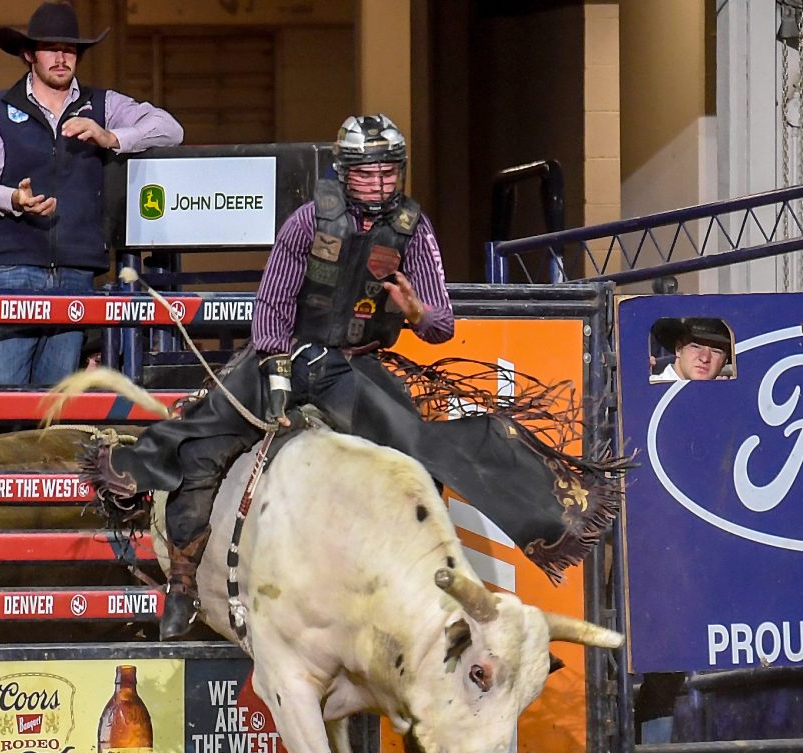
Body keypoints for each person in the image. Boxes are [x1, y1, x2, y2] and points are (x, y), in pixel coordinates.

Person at [88, 114, 627, 640]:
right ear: (345, 174)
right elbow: (273, 301)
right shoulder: (307, 221)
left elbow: (441, 321)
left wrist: (415, 314)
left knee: (416, 444)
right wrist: (275, 367)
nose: (378, 183)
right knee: (200, 442)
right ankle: (183, 582)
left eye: (388, 172)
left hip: (354, 363)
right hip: (287, 351)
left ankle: (517, 530)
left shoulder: (413, 231)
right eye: (366, 173)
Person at [0, 1, 184, 387]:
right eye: (52, 48)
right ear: (29, 54)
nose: (62, 57)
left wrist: (112, 137)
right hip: (13, 269)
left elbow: (170, 129)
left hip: (76, 272)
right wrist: (13, 199)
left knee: (57, 403)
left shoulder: (103, 105)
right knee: (2, 395)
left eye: (70, 49)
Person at [649, 317, 732, 382]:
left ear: (725, 361)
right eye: (696, 347)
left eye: (716, 351)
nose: (704, 358)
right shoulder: (642, 391)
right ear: (678, 349)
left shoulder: (728, 397)